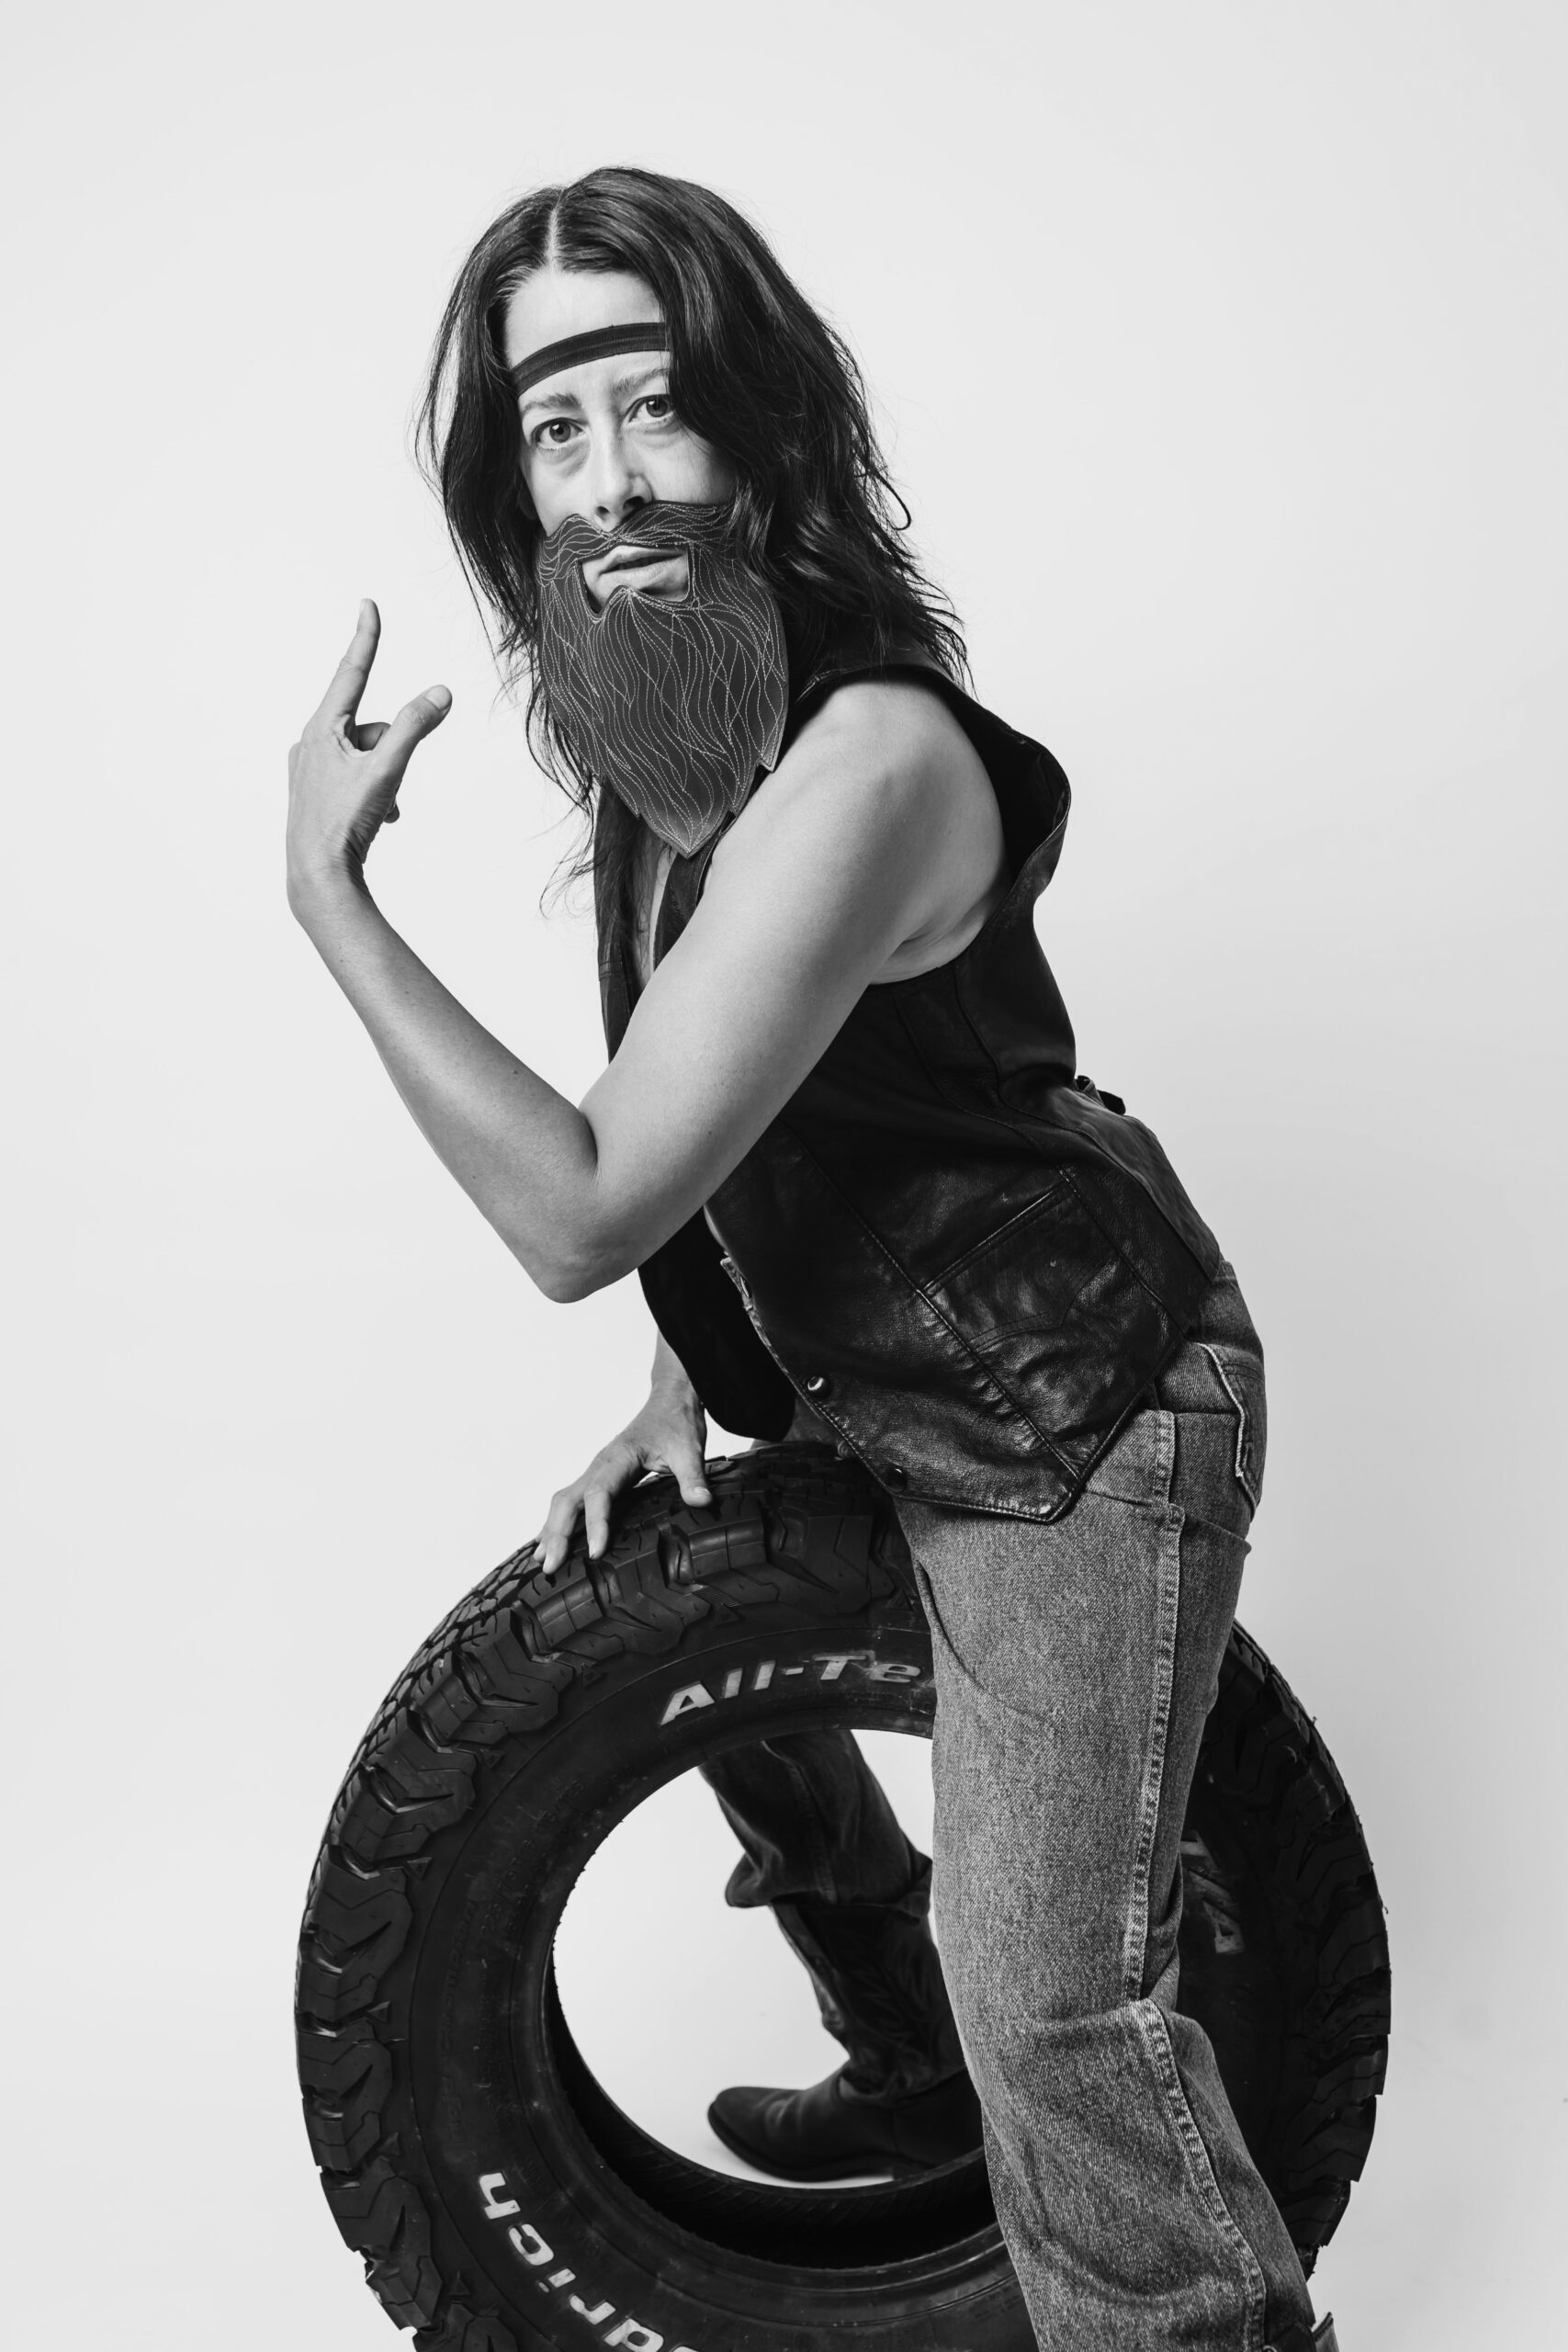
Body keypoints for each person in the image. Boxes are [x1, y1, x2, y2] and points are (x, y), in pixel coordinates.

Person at [285, 164, 1336, 2352]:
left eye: (644, 406)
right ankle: (900, 2061)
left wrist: (334, 906)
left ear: (758, 426)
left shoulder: (857, 760)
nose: (599, 478)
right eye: (547, 432)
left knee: (1051, 1991)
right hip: (904, 1375)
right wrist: (685, 1387)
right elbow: (743, 1125)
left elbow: (586, 1200)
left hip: (1072, 1416)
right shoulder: (673, 736)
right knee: (638, 1600)